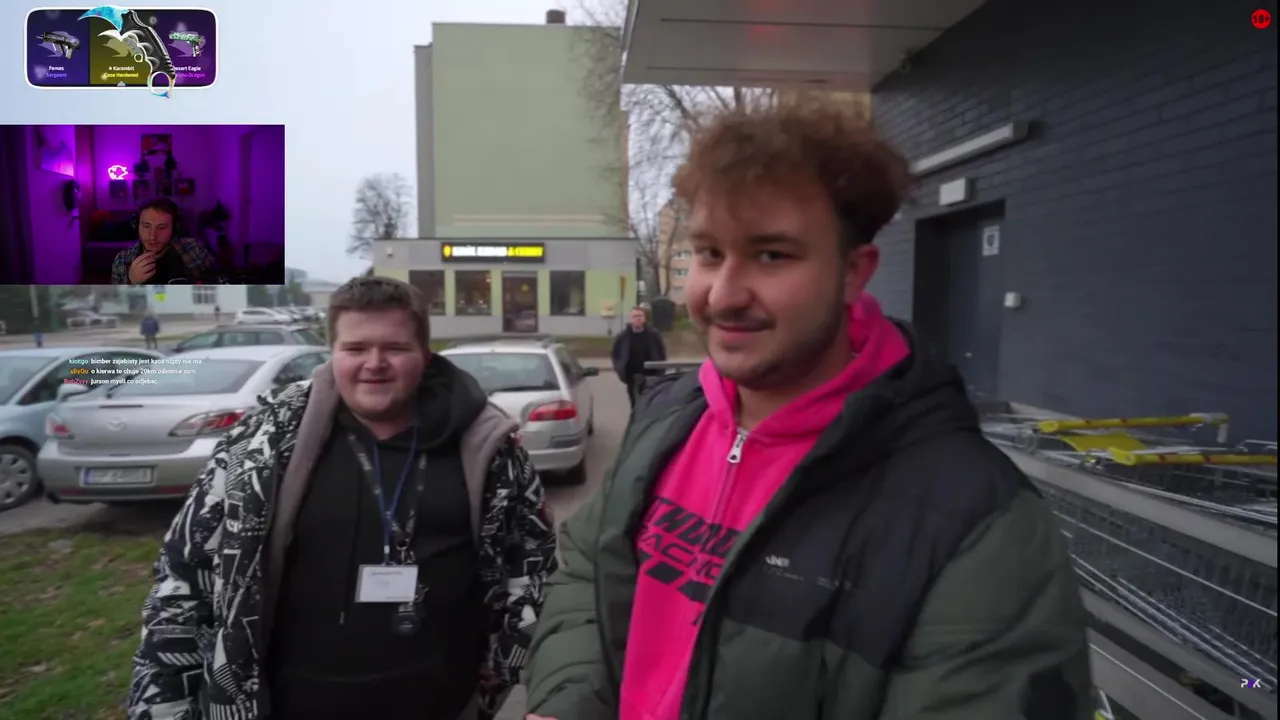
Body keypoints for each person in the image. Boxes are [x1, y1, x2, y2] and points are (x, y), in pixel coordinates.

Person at [524, 99, 1092, 720]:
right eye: (709, 253)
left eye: (771, 255)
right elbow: (588, 569)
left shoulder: (976, 518)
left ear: (853, 272)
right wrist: (569, 703)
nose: (723, 294)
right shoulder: (667, 419)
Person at [129, 276, 558, 720]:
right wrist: (164, 704)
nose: (375, 364)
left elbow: (534, 567)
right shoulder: (260, 445)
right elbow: (184, 575)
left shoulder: (490, 447)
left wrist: (505, 670)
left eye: (395, 348)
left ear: (426, 357)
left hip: (445, 704)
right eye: (355, 349)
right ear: (331, 354)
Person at [111, 198, 218, 285]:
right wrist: (131, 283)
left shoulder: (195, 249)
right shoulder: (122, 260)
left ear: (174, 228)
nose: (152, 236)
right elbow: (116, 302)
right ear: (136, 225)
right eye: (146, 226)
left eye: (162, 228)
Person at [610, 306, 668, 408]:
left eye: (640, 316)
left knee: (650, 404)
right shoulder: (623, 337)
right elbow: (615, 354)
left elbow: (661, 352)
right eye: (635, 316)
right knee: (635, 404)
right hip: (632, 377)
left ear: (644, 318)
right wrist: (619, 368)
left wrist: (661, 369)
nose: (638, 319)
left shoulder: (653, 335)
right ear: (631, 319)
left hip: (651, 376)